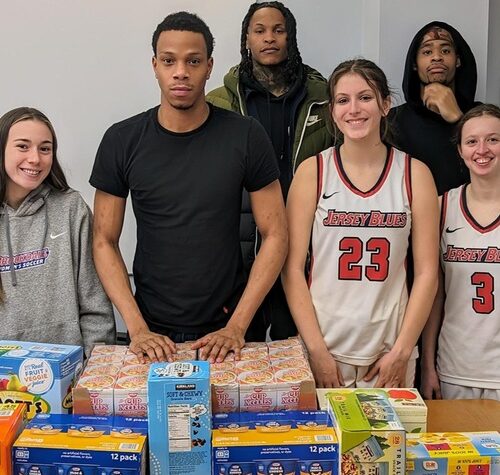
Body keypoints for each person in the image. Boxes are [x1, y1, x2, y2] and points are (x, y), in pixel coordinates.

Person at [90, 12, 287, 363]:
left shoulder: (245, 136)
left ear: (209, 66)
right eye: (169, 61)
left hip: (232, 331)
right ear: (155, 65)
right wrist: (135, 328)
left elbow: (276, 235)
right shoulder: (121, 140)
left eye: (193, 61)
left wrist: (237, 326)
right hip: (151, 333)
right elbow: (103, 240)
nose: (181, 71)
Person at [282, 59, 439, 388]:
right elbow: (291, 270)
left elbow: (427, 273)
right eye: (343, 100)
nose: (354, 109)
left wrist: (402, 351)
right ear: (332, 112)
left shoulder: (415, 174)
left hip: (390, 354)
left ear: (385, 104)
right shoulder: (313, 172)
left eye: (365, 97)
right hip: (326, 353)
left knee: (394, 443)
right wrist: (317, 351)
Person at [207, 1, 331, 341]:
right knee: (242, 345)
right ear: (246, 38)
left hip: (310, 242)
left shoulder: (323, 98)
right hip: (243, 241)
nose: (269, 38)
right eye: (259, 31)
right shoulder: (220, 101)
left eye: (279, 30)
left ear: (290, 37)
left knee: (301, 345)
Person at [0, 107, 115, 357]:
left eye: (45, 148)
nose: (35, 158)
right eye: (22, 146)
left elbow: (95, 302)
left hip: (67, 374)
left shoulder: (70, 208)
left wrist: (93, 366)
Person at [421, 104, 500, 401]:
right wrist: (428, 365)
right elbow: (434, 294)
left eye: (493, 139)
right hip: (455, 367)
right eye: (472, 141)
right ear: (460, 151)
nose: (482, 149)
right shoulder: (443, 207)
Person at [390, 21, 478, 195]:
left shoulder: (483, 118)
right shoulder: (393, 120)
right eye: (427, 51)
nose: (437, 57)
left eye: (445, 51)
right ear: (414, 63)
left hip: (468, 218)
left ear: (458, 60)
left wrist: (458, 120)